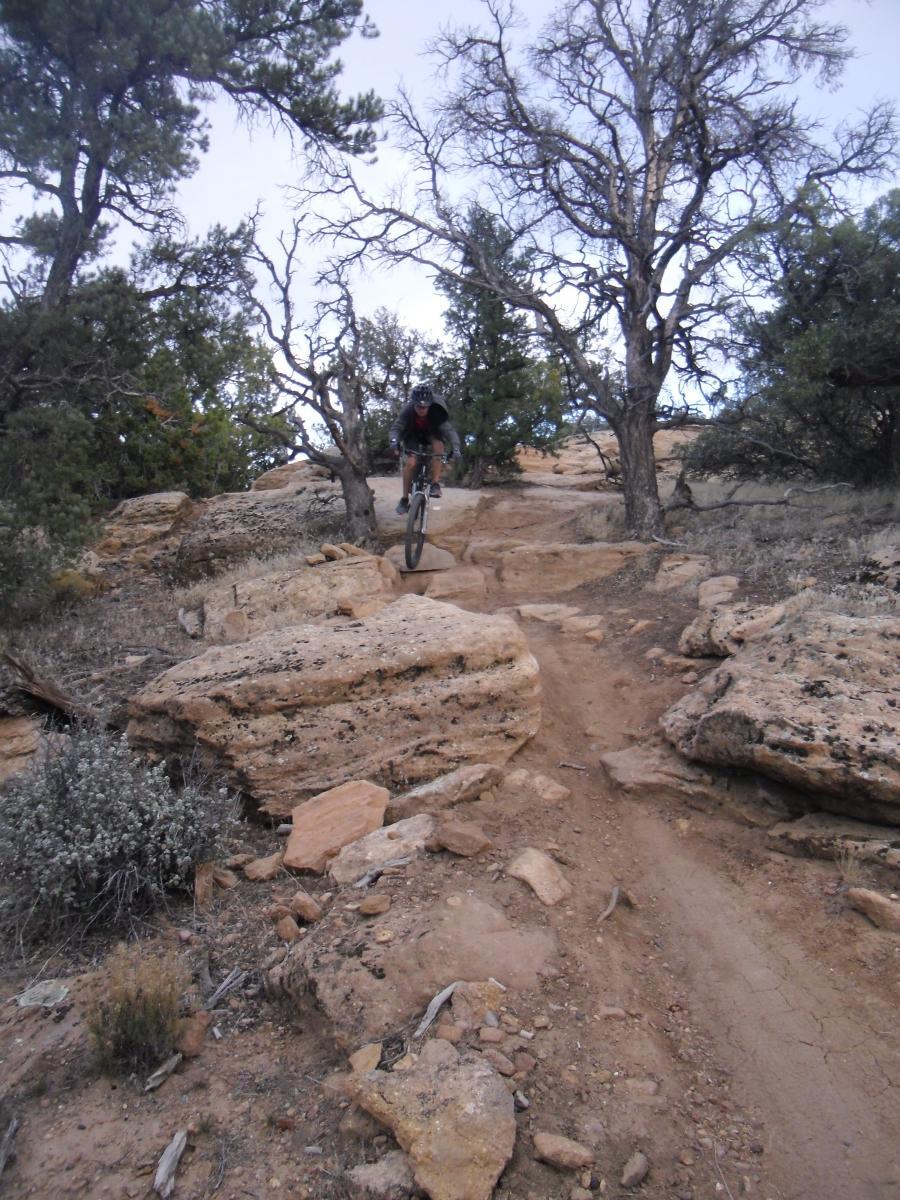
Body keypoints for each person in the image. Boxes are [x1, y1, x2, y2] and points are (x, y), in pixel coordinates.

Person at [389, 382, 462, 514]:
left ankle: (434, 484)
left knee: (439, 446)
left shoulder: (436, 412)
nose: (422, 409)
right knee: (411, 462)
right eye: (418, 406)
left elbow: (449, 431)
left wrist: (456, 448)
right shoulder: (408, 411)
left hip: (431, 433)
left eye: (425, 407)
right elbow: (397, 427)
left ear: (430, 405)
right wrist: (394, 441)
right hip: (412, 435)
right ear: (414, 404)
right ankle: (404, 499)